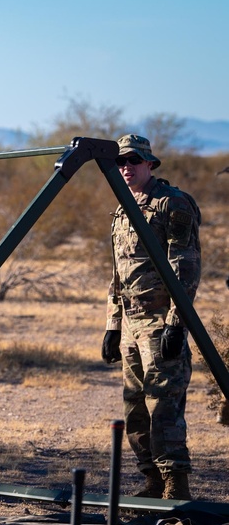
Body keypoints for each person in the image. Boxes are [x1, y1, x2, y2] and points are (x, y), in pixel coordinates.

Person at [101, 134, 200, 500]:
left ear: (150, 164)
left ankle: (176, 486)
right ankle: (152, 480)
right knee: (135, 408)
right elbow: (117, 273)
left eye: (133, 161)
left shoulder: (173, 205)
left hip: (160, 324)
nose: (126, 167)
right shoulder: (122, 209)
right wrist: (113, 325)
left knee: (164, 406)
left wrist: (177, 322)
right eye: (121, 162)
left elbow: (185, 266)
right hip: (130, 324)